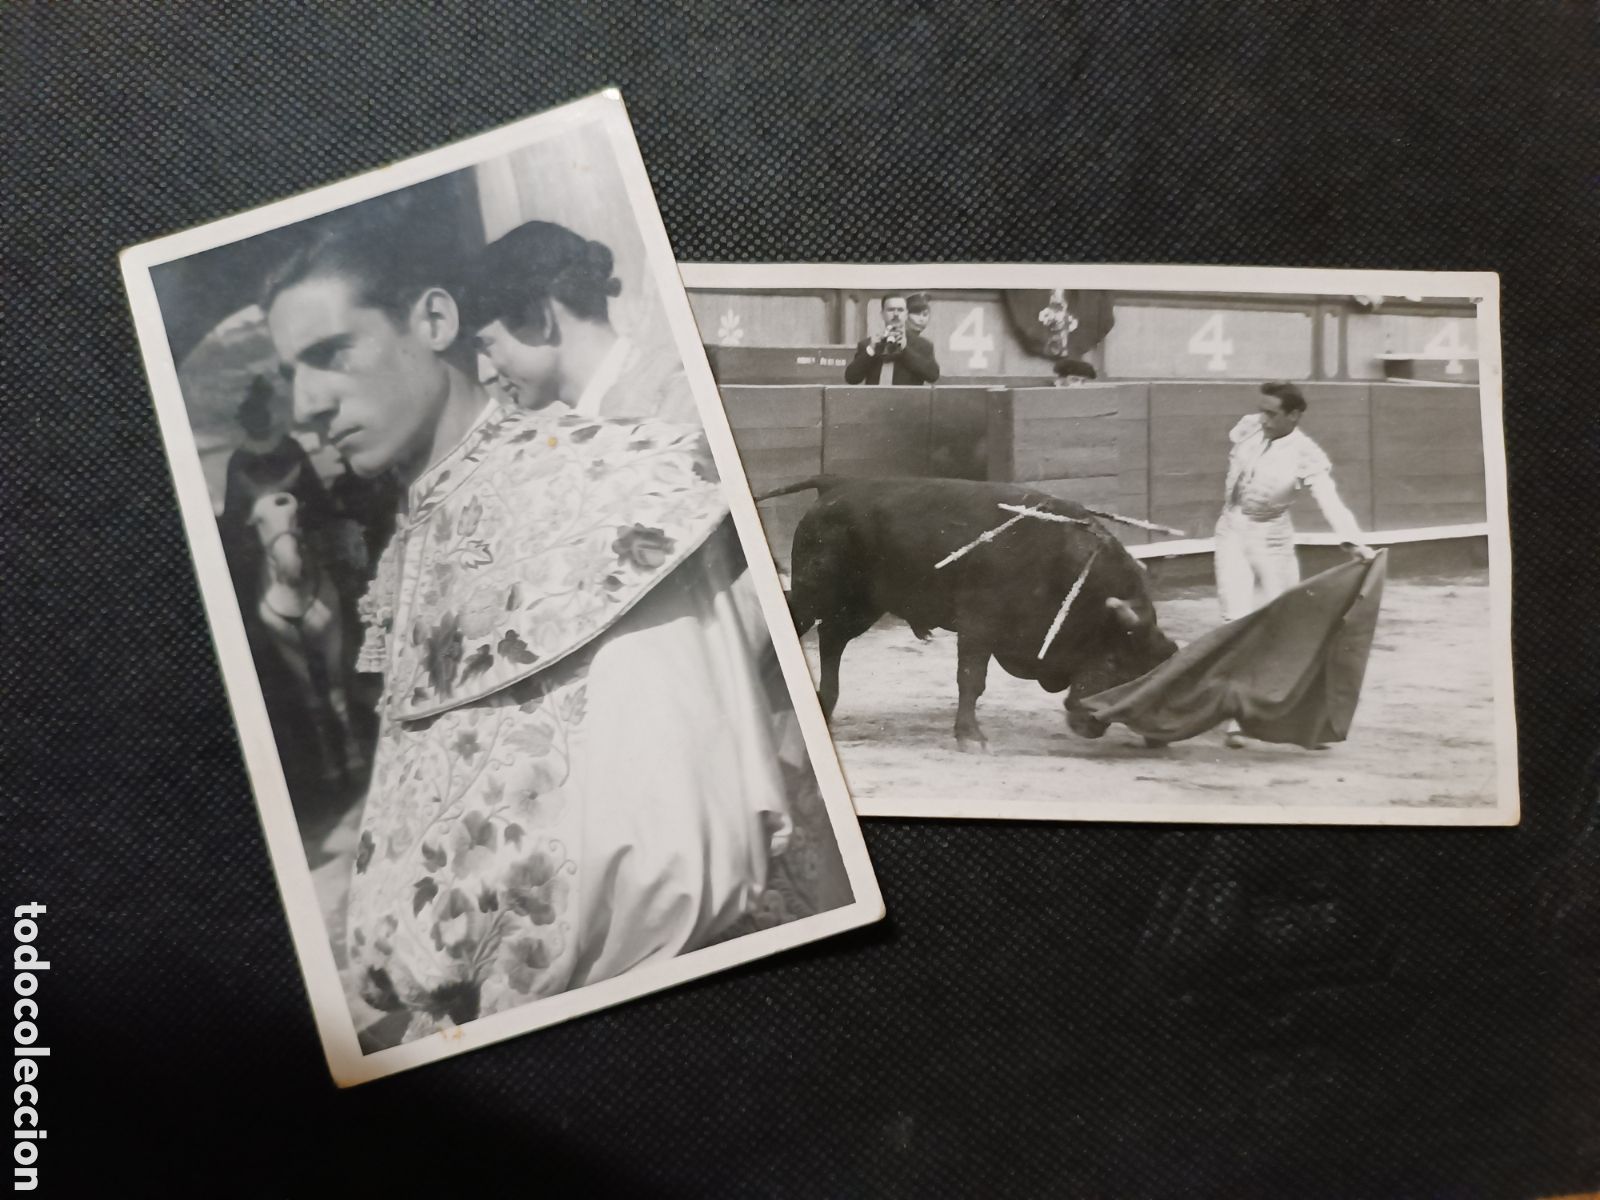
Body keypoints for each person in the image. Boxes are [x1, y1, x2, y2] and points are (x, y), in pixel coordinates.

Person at [263, 209, 840, 1046]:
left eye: (330, 354)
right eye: (290, 373)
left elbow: (678, 852)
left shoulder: (613, 484)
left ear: (432, 321)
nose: (306, 405)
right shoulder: (411, 531)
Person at [1215, 381, 1374, 747]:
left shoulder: (1306, 453)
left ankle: (1296, 718)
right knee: (1237, 619)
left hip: (1273, 540)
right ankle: (1236, 715)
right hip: (1232, 532)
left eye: (1272, 413)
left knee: (1286, 626)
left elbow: (1329, 499)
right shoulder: (1248, 426)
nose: (1264, 420)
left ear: (1294, 415)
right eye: (1262, 410)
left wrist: (1353, 541)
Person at [465, 219, 698, 423]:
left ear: (541, 318)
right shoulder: (594, 416)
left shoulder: (679, 401)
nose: (486, 374)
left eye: (487, 346)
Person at [844, 293, 941, 385]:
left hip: (907, 402)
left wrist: (905, 350)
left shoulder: (922, 345)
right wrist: (870, 350)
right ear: (882, 314)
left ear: (906, 314)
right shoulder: (867, 344)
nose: (896, 314)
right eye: (891, 310)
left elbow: (933, 376)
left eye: (900, 310)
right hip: (875, 401)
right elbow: (851, 378)